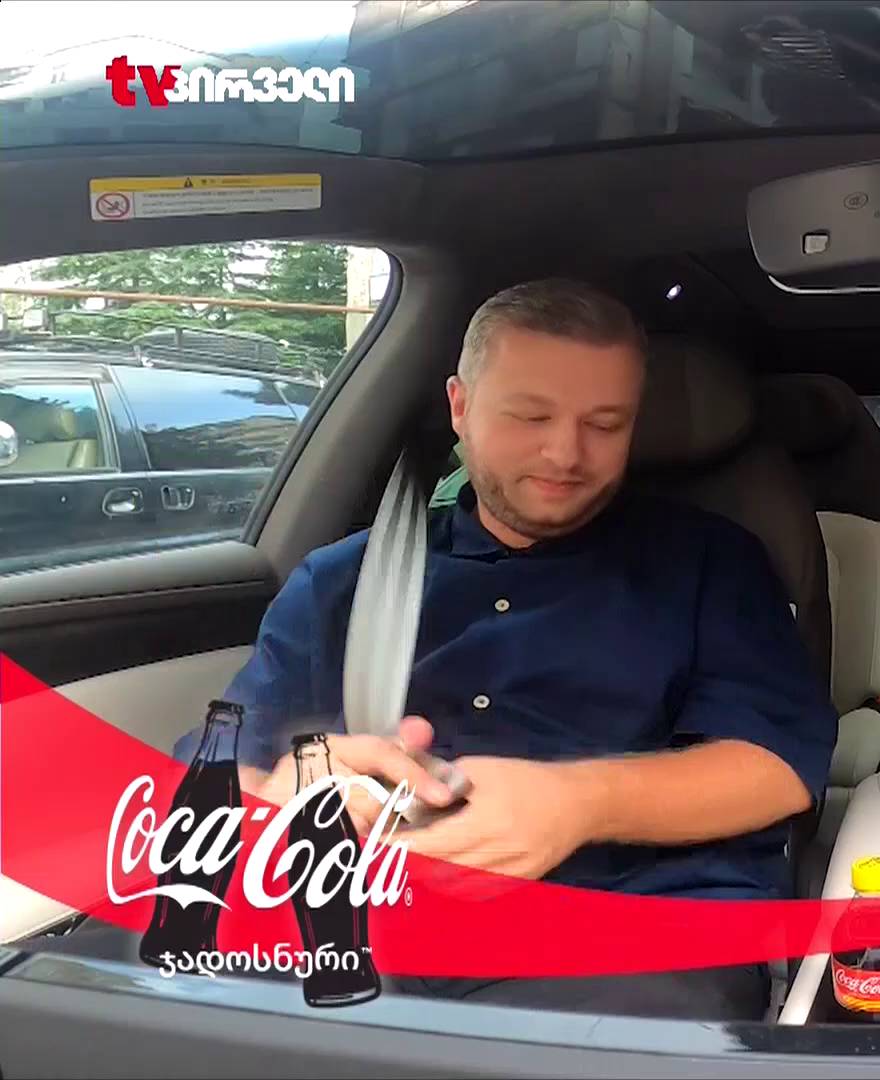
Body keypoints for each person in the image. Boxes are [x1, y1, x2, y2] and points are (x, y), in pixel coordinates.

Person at [168, 278, 836, 1019]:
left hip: (628, 939)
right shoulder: (342, 581)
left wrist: (577, 804)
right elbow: (214, 774)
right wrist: (286, 789)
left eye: (605, 424)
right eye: (530, 415)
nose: (566, 453)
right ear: (460, 406)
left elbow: (778, 768)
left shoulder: (713, 564)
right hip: (356, 927)